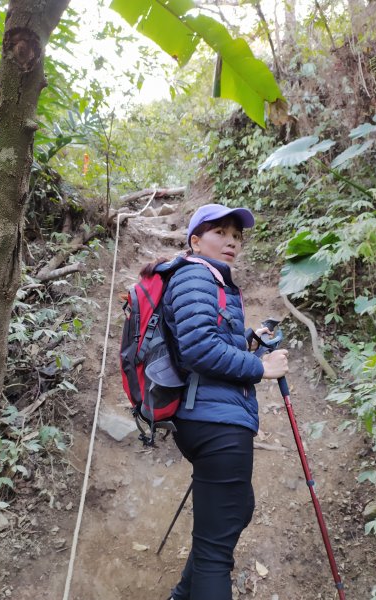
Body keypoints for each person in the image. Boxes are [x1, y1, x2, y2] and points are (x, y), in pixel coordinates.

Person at [145, 203, 289, 600]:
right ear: (195, 241)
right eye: (220, 233)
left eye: (236, 235)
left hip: (213, 418)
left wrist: (249, 339)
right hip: (215, 423)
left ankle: (182, 594)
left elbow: (210, 335)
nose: (231, 241)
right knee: (215, 554)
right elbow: (198, 348)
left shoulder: (210, 280)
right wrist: (263, 368)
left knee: (237, 509)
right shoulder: (195, 275)